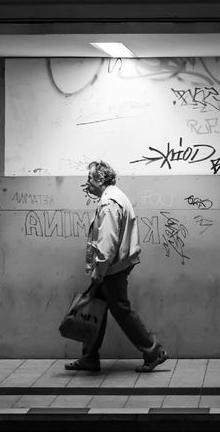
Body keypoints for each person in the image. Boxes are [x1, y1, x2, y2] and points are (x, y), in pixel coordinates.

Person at [64, 160, 169, 373]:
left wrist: (99, 272)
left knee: (121, 310)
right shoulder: (116, 196)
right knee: (97, 308)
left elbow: (107, 243)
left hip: (111, 269)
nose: (87, 183)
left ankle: (153, 350)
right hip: (116, 266)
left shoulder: (109, 202)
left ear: (100, 179)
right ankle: (90, 357)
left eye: (89, 178)